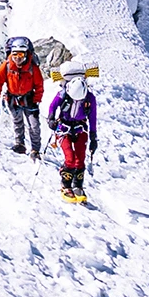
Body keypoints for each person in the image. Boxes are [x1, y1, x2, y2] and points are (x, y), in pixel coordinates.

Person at [46, 63, 97, 201]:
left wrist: (93, 137)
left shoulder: (89, 98)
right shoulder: (63, 94)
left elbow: (93, 117)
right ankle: (66, 184)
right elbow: (52, 106)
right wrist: (51, 119)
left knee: (80, 158)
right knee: (70, 157)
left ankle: (78, 186)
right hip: (63, 129)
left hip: (80, 129)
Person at [0, 36, 43, 157]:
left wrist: (36, 101)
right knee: (17, 122)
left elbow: (39, 86)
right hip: (13, 99)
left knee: (34, 126)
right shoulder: (7, 66)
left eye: (20, 55)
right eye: (15, 55)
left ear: (26, 54)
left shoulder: (32, 67)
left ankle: (35, 150)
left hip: (29, 100)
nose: (17, 58)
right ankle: (20, 144)